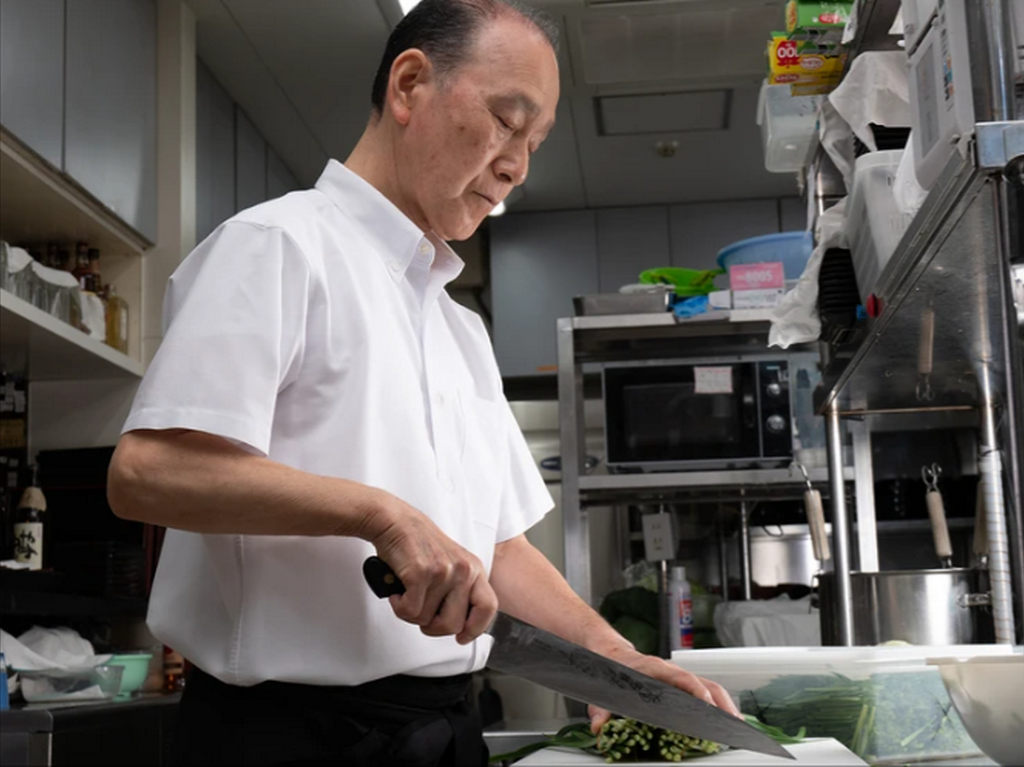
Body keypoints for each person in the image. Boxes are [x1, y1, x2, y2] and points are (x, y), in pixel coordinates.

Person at [107, 1, 738, 764]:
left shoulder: (459, 327)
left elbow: (500, 548)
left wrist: (614, 659)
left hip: (443, 731)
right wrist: (381, 514)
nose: (517, 165)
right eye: (507, 122)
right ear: (409, 86)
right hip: (287, 739)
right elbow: (148, 471)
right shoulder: (276, 246)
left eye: (534, 143)